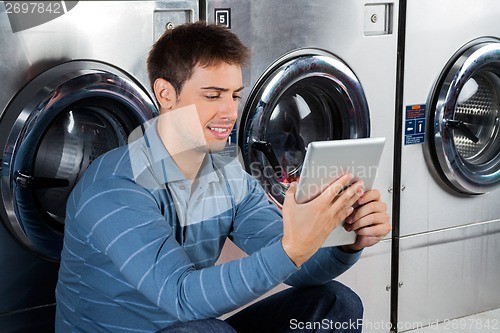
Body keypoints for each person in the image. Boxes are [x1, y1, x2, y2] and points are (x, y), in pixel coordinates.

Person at [55, 22, 391, 333]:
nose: (230, 113)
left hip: (191, 327)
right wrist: (292, 249)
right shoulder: (115, 185)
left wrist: (344, 241)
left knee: (335, 303)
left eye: (235, 95)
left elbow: (297, 264)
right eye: (213, 95)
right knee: (208, 330)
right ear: (166, 94)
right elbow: (182, 297)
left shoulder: (226, 174)